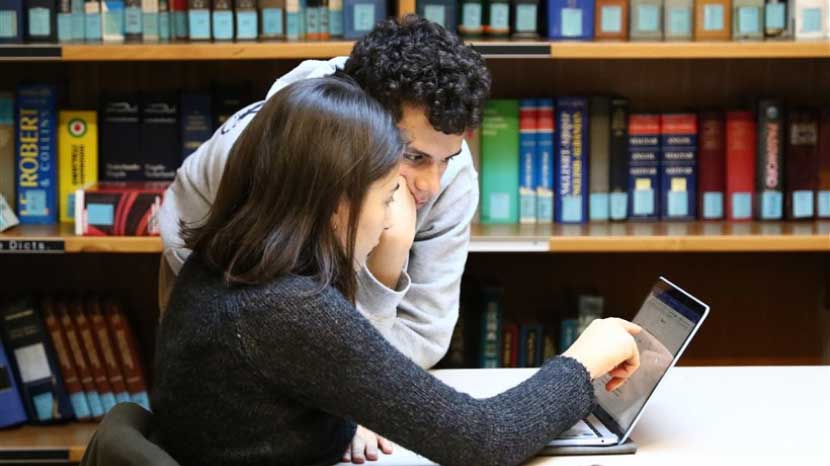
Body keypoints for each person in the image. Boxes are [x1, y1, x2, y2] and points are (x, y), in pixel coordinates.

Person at [152, 76, 642, 466]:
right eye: (388, 197)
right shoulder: (286, 309)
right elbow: (484, 442)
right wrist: (583, 362)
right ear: (335, 200)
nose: (392, 220)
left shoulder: (228, 259)